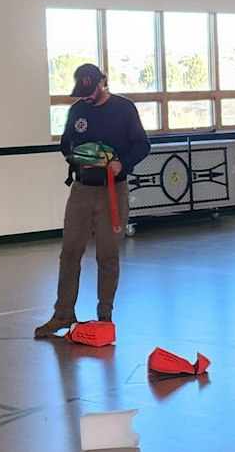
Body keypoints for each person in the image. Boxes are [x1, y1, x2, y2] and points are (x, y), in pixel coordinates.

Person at [35, 63, 151, 337]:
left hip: (112, 191)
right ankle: (63, 314)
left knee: (107, 255)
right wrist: (77, 158)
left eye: (89, 91)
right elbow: (65, 144)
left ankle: (105, 317)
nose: (85, 97)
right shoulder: (77, 111)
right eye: (81, 92)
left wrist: (121, 164)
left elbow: (142, 145)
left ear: (102, 82)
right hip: (81, 190)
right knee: (70, 252)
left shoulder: (124, 108)